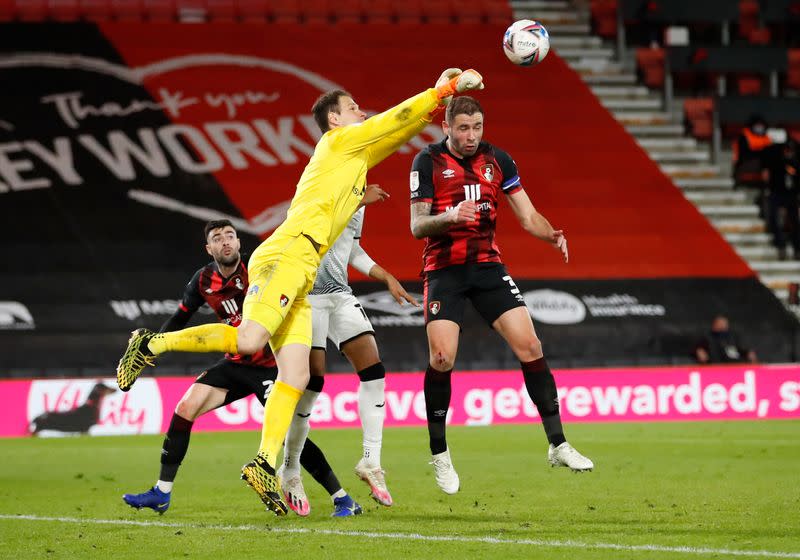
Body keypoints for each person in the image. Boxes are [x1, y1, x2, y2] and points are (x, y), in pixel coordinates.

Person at [116, 68, 486, 515]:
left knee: (294, 378)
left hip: (303, 269)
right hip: (287, 255)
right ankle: (150, 343)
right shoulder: (336, 143)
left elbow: (394, 133)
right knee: (250, 340)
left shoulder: (353, 158)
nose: (361, 112)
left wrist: (438, 105)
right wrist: (441, 90)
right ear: (334, 121)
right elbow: (389, 122)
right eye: (352, 109)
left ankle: (264, 464)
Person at [409, 96, 593, 495]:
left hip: (488, 268)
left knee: (530, 344)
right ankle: (439, 453)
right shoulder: (427, 162)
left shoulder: (499, 160)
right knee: (442, 357)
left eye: (477, 127)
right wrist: (450, 217)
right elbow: (417, 226)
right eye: (463, 128)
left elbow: (527, 215)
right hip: (444, 270)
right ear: (446, 127)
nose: (471, 136)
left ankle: (558, 443)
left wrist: (552, 234)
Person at [121, 220, 362, 517]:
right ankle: (161, 492)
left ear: (238, 244)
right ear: (209, 248)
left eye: (230, 236)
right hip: (235, 364)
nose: (225, 242)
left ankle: (343, 498)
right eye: (218, 238)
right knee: (186, 407)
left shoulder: (259, 270)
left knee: (287, 434)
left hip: (270, 367)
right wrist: (153, 346)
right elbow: (180, 318)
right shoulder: (202, 281)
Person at [279, 207, 419, 513]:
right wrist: (351, 200)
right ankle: (289, 468)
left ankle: (371, 460)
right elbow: (306, 237)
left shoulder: (361, 196)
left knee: (374, 373)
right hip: (307, 295)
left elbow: (349, 247)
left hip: (339, 294)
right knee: (312, 384)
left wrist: (385, 275)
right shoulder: (318, 183)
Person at [763, 140, 800, 260]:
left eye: (791, 150)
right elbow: (767, 175)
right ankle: (781, 246)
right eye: (787, 150)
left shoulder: (797, 163)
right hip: (777, 193)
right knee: (774, 219)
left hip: (792, 195)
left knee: (795, 222)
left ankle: (797, 249)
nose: (789, 152)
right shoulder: (776, 162)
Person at [732, 114, 772, 187]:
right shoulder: (744, 136)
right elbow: (744, 153)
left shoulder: (766, 137)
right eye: (757, 124)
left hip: (763, 164)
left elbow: (771, 151)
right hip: (746, 163)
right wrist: (762, 152)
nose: (759, 127)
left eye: (761, 125)